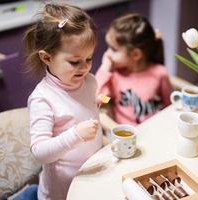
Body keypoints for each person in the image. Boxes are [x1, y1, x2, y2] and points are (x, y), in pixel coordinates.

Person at [23, 3, 103, 200]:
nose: (84, 67)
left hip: (93, 175)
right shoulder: (43, 98)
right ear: (47, 57)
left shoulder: (90, 81)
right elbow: (40, 152)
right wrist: (75, 134)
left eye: (89, 58)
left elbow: (81, 108)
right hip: (61, 191)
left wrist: (97, 103)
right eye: (75, 62)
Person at [95, 13, 172, 125]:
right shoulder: (114, 76)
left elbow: (168, 105)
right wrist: (104, 69)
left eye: (114, 49)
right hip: (128, 136)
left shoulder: (160, 73)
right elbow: (99, 99)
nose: (107, 54)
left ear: (135, 54)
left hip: (156, 129)